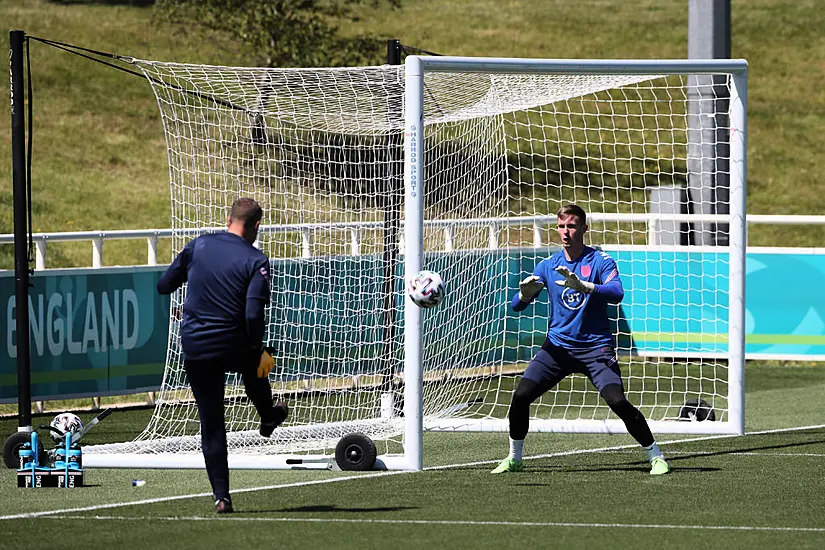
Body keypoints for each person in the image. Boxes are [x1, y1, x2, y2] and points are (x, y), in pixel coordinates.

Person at [491, 204, 670, 476]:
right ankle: (515, 458)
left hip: (595, 349)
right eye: (561, 226)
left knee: (617, 401)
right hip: (557, 348)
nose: (566, 232)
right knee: (521, 396)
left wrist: (585, 287)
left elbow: (617, 292)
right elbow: (517, 305)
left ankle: (656, 456)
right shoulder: (549, 265)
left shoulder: (599, 261)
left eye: (572, 226)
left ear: (584, 229)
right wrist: (525, 295)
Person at [157, 197, 289, 513]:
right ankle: (268, 416)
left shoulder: (198, 246)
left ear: (228, 219)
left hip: (197, 346)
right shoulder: (256, 260)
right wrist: (255, 349)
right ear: (256, 226)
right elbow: (254, 314)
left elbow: (164, 286)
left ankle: (222, 497)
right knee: (257, 363)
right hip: (232, 344)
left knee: (212, 422)